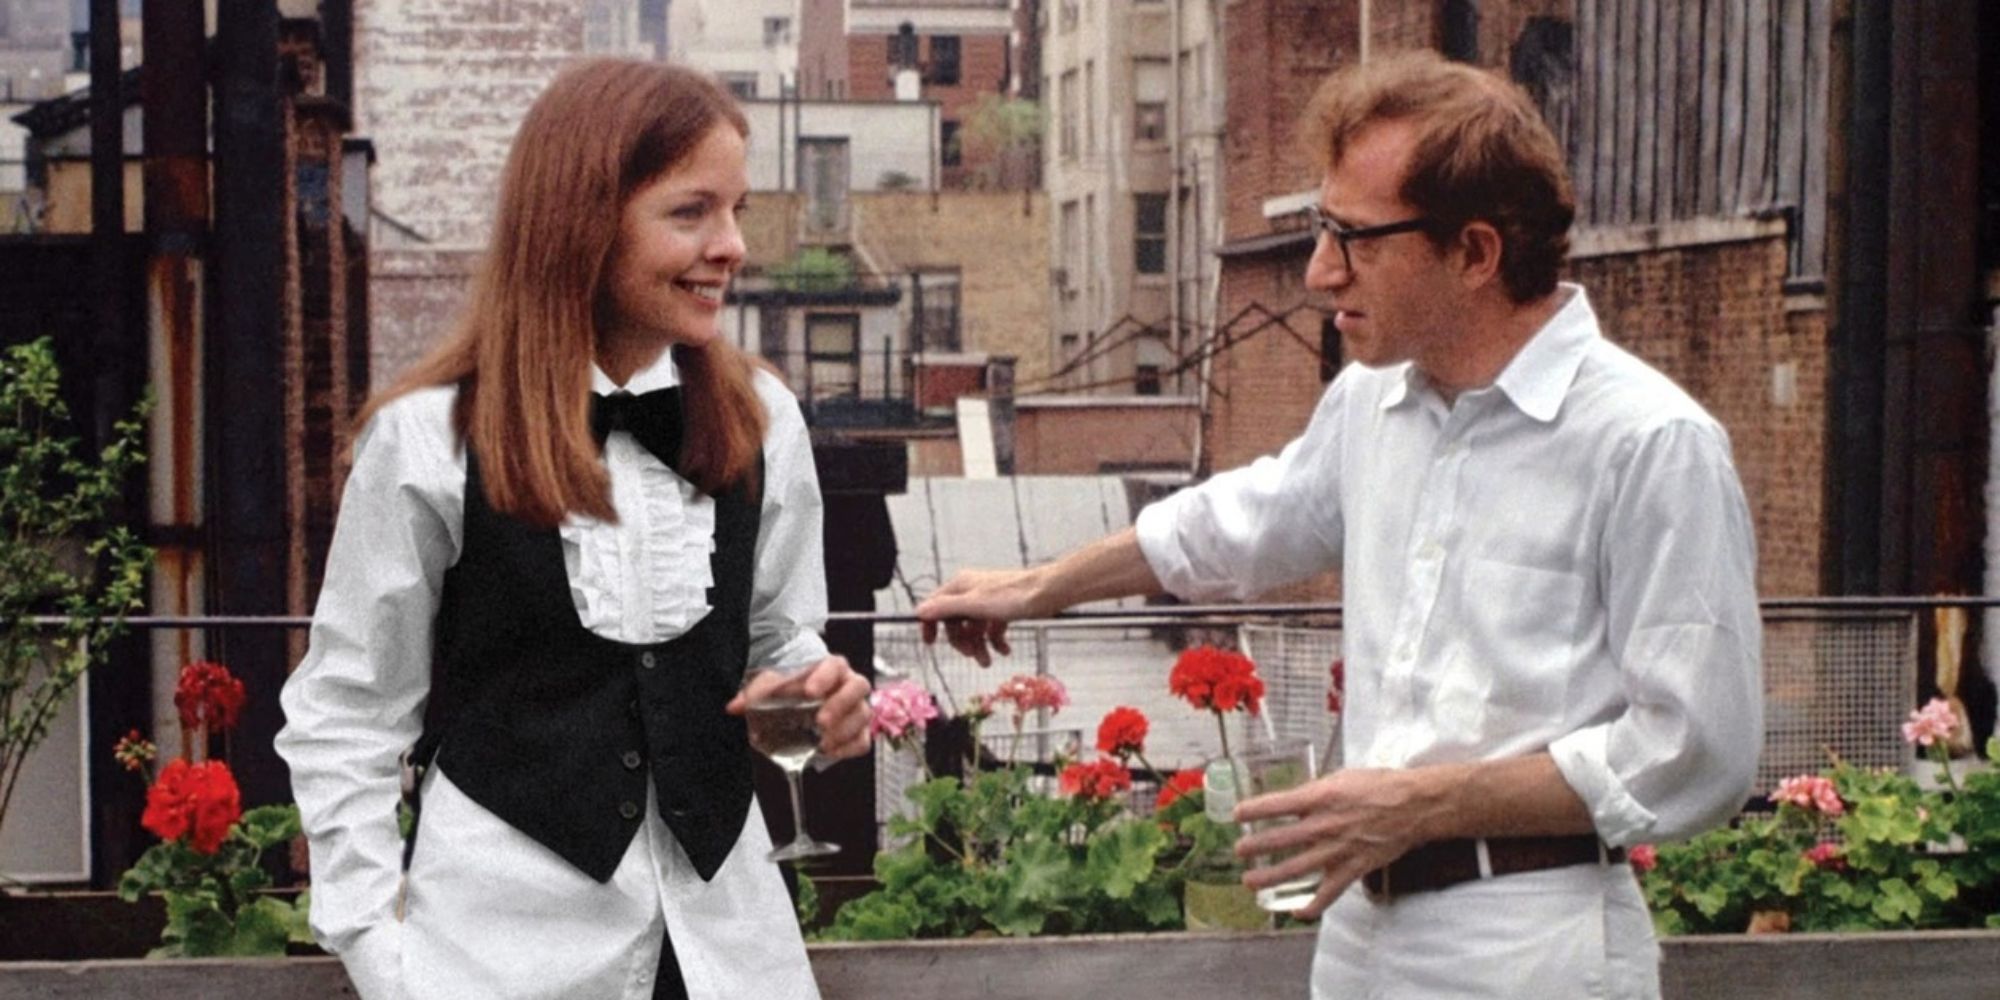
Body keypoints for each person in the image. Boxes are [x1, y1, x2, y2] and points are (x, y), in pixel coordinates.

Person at [917, 51, 1760, 999]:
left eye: (1353, 238)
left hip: (1532, 945)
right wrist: (1041, 585)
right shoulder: (1372, 403)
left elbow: (1699, 751)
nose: (1320, 271)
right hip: (1360, 939)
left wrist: (1417, 806)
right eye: (1324, 231)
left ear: (1476, 254)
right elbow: (1241, 523)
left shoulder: (1652, 443)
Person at [276, 60, 870, 1000]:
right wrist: (386, 961)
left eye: (738, 211)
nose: (732, 247)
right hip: (501, 959)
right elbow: (346, 714)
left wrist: (820, 699)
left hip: (729, 953)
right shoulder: (429, 441)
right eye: (691, 213)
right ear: (582, 222)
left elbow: (778, 644)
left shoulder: (764, 419)